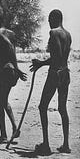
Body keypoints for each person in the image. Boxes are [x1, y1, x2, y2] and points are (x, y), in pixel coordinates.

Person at [30, 9, 72, 155]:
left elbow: (57, 57)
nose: (48, 22)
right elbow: (63, 58)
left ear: (56, 18)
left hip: (55, 74)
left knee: (42, 107)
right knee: (62, 108)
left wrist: (40, 63)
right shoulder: (68, 34)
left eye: (49, 19)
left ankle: (46, 145)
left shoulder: (54, 32)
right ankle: (66, 145)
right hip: (66, 73)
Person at [0, 14, 27, 143]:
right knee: (3, 100)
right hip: (10, 71)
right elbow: (12, 52)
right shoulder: (12, 33)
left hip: (6, 71)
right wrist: (16, 69)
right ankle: (14, 127)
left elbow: (8, 49)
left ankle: (3, 135)